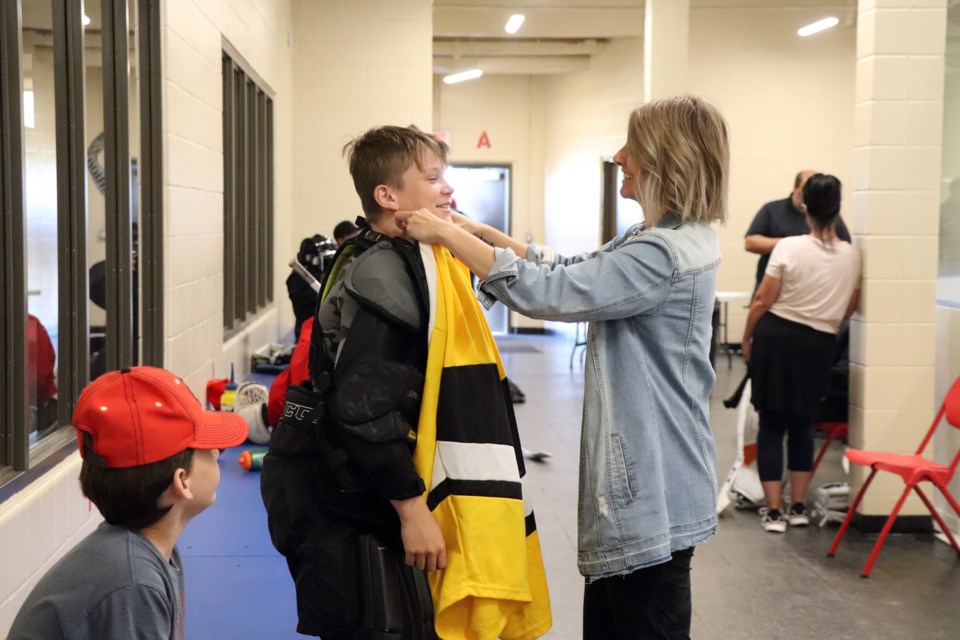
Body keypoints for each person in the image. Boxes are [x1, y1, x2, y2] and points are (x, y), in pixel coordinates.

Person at [399, 94, 727, 640]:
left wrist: (447, 234)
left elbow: (554, 293)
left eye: (632, 147)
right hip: (656, 485)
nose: (619, 156)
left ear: (664, 159)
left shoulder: (665, 253)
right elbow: (580, 268)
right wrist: (486, 236)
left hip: (652, 487)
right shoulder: (662, 238)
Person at [261, 125, 550, 640]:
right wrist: (412, 511)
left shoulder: (417, 261)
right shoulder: (384, 273)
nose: (448, 190)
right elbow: (362, 409)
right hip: (358, 500)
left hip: (364, 490)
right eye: (434, 178)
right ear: (387, 196)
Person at [8, 366, 248, 640]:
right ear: (182, 481)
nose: (216, 451)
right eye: (207, 446)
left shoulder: (150, 554)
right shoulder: (133, 582)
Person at [740, 173, 861, 533]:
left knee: (772, 423)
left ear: (805, 207)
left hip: (777, 339)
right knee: (802, 423)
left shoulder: (789, 247)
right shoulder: (852, 255)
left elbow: (764, 299)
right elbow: (851, 305)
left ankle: (774, 511)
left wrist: (747, 338)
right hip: (819, 343)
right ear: (837, 209)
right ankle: (798, 507)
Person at [745, 170, 852, 292]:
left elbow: (844, 245)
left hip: (812, 288)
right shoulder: (772, 209)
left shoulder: (828, 216)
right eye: (806, 190)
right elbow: (750, 242)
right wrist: (792, 244)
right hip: (774, 289)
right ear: (795, 188)